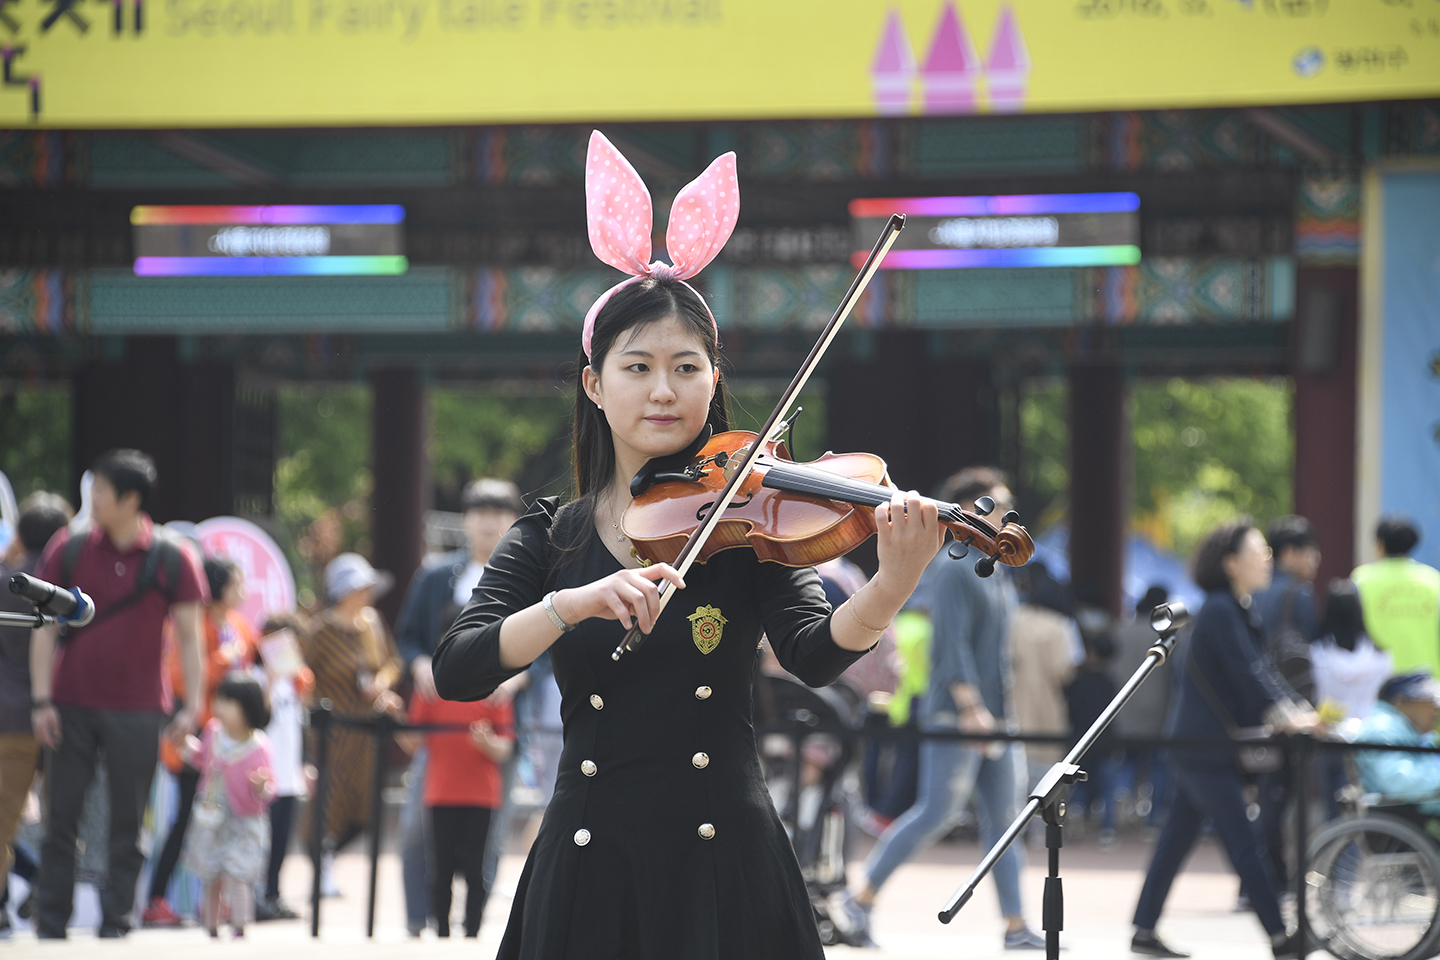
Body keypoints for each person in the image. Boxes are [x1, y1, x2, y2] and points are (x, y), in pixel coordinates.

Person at [430, 130, 945, 960]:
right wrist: (571, 606)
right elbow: (459, 668)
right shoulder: (552, 534)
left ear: (714, 378)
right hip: (590, 858)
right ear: (595, 386)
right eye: (636, 368)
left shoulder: (747, 520)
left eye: (686, 367)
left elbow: (813, 653)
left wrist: (890, 584)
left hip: (724, 859)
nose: (663, 390)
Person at [838, 467, 1046, 951]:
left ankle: (1016, 926)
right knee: (936, 812)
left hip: (996, 714)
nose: (1006, 516)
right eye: (996, 505)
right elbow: (949, 646)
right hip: (961, 714)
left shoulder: (996, 570)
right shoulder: (955, 567)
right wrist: (971, 708)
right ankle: (859, 900)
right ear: (973, 510)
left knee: (1006, 820)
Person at [30, 449, 207, 939]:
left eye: (102, 493)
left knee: (128, 824)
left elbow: (191, 637)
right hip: (70, 702)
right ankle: (50, 924)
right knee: (60, 818)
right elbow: (44, 629)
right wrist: (43, 700)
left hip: (140, 708)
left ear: (130, 499)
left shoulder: (173, 556)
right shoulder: (69, 547)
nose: (93, 501)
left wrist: (192, 705)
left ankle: (116, 924)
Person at [1130, 520, 1320, 960]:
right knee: (1245, 844)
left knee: (1176, 840)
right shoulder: (1220, 608)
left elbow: (1261, 673)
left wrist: (1296, 711)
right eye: (1258, 551)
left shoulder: (1235, 607)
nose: (1267, 557)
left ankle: (1143, 930)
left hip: (1200, 745)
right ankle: (1280, 938)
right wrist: (1293, 716)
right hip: (1204, 749)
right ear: (1231, 563)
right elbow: (1249, 674)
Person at [392, 478, 526, 937]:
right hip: (441, 722)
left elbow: (555, 642)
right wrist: (419, 666)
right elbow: (407, 636)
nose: (488, 523)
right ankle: (417, 922)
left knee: (488, 836)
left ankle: (472, 929)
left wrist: (521, 675)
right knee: (415, 828)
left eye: (498, 513)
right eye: (479, 513)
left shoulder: (528, 572)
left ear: (513, 521)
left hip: (498, 726)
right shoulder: (435, 576)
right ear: (465, 521)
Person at [144, 556, 260, 926]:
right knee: (187, 822)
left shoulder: (240, 625)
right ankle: (156, 899)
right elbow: (179, 678)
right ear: (217, 587)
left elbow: (261, 661)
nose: (242, 591)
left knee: (228, 821)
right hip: (201, 742)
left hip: (236, 744)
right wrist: (219, 662)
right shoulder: (197, 624)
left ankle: (213, 901)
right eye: (236, 583)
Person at [299, 552, 402, 895]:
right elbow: (303, 674)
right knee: (330, 797)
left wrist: (381, 685)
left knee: (364, 803)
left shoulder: (372, 623)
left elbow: (391, 663)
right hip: (333, 731)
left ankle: (330, 858)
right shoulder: (321, 631)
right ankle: (319, 862)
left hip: (365, 730)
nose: (368, 594)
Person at [0, 493, 72, 937]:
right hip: (54, 718)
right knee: (48, 819)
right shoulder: (65, 590)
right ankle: (45, 892)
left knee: (5, 820)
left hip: (13, 716)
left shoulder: (5, 581)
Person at [401, 673, 514, 937]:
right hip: (441, 792)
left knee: (476, 870)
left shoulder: (494, 689)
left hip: (481, 795)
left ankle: (472, 931)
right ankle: (441, 931)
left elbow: (506, 746)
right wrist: (395, 716)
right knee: (441, 870)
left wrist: (487, 743)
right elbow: (413, 742)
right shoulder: (431, 689)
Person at [180, 672, 276, 939]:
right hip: (212, 816)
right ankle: (210, 925)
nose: (219, 708)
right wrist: (185, 748)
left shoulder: (259, 746)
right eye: (219, 700)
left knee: (238, 872)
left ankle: (240, 924)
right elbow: (201, 758)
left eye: (227, 702)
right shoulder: (213, 732)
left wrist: (261, 787)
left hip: (245, 821)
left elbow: (269, 788)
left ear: (247, 708)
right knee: (211, 874)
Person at [253, 612, 314, 922]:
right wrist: (272, 678)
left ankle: (273, 894)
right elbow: (257, 719)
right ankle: (254, 897)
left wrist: (304, 764)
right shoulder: (256, 676)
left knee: (281, 839)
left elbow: (298, 727)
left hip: (288, 774)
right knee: (261, 837)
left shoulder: (295, 683)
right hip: (264, 775)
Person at [1110, 586, 1175, 828]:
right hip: (1156, 709)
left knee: (1126, 761)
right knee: (1157, 764)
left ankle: (1119, 804)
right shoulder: (1165, 636)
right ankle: (1152, 818)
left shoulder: (1121, 630)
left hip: (1124, 708)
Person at [1352, 516, 1440, 679]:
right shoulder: (1432, 580)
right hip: (1428, 680)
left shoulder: (1361, 579)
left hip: (1376, 679)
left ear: (1380, 544)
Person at [1353, 672, 1440, 820]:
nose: (1435, 708)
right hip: (1407, 813)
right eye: (1428, 700)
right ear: (1400, 702)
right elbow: (1399, 781)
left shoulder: (1409, 730)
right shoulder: (1383, 728)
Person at [1065, 633, 1120, 847]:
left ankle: (1076, 818)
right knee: (1107, 788)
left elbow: (1071, 710)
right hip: (1106, 742)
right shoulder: (1110, 682)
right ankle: (1107, 829)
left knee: (1079, 785)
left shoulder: (1078, 682)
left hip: (1081, 740)